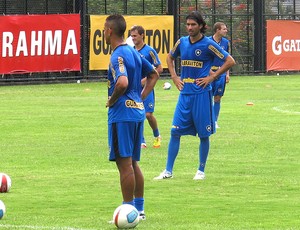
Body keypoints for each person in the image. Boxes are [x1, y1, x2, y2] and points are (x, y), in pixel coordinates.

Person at [154, 11, 235, 180]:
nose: (189, 28)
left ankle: (200, 171)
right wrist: (175, 77)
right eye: (188, 24)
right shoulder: (181, 42)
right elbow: (169, 58)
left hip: (202, 95)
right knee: (174, 131)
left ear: (201, 26)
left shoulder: (208, 45)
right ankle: (168, 171)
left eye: (193, 25)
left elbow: (230, 61)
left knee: (203, 135)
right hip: (185, 95)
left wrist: (212, 77)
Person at [104, 14, 159, 220]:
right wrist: (140, 98)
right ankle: (140, 209)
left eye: (104, 28)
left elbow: (122, 82)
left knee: (124, 164)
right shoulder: (134, 52)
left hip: (122, 115)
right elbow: (153, 74)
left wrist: (112, 100)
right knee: (134, 162)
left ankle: (128, 210)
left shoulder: (117, 55)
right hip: (136, 112)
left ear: (109, 31)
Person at [130, 25, 163, 149]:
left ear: (142, 35)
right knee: (138, 113)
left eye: (135, 36)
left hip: (148, 87)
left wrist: (146, 80)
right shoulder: (131, 51)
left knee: (148, 115)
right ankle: (141, 141)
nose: (133, 38)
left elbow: (159, 67)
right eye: (131, 36)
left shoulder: (149, 51)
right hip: (135, 88)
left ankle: (157, 135)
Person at [209, 22, 231, 129]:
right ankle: (206, 120)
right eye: (224, 29)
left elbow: (228, 59)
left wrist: (227, 73)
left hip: (221, 73)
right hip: (209, 74)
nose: (226, 31)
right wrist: (209, 72)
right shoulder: (208, 41)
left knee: (217, 98)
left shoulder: (226, 43)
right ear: (217, 30)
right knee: (207, 97)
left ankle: (214, 121)